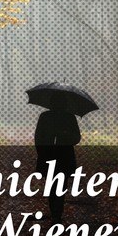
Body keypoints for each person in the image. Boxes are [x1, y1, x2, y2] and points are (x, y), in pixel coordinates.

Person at [34, 93, 81, 224]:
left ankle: (56, 213)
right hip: (58, 156)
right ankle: (56, 213)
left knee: (54, 186)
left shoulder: (66, 117)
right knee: (57, 186)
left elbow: (76, 138)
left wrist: (42, 153)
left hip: (59, 156)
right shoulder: (50, 117)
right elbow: (39, 137)